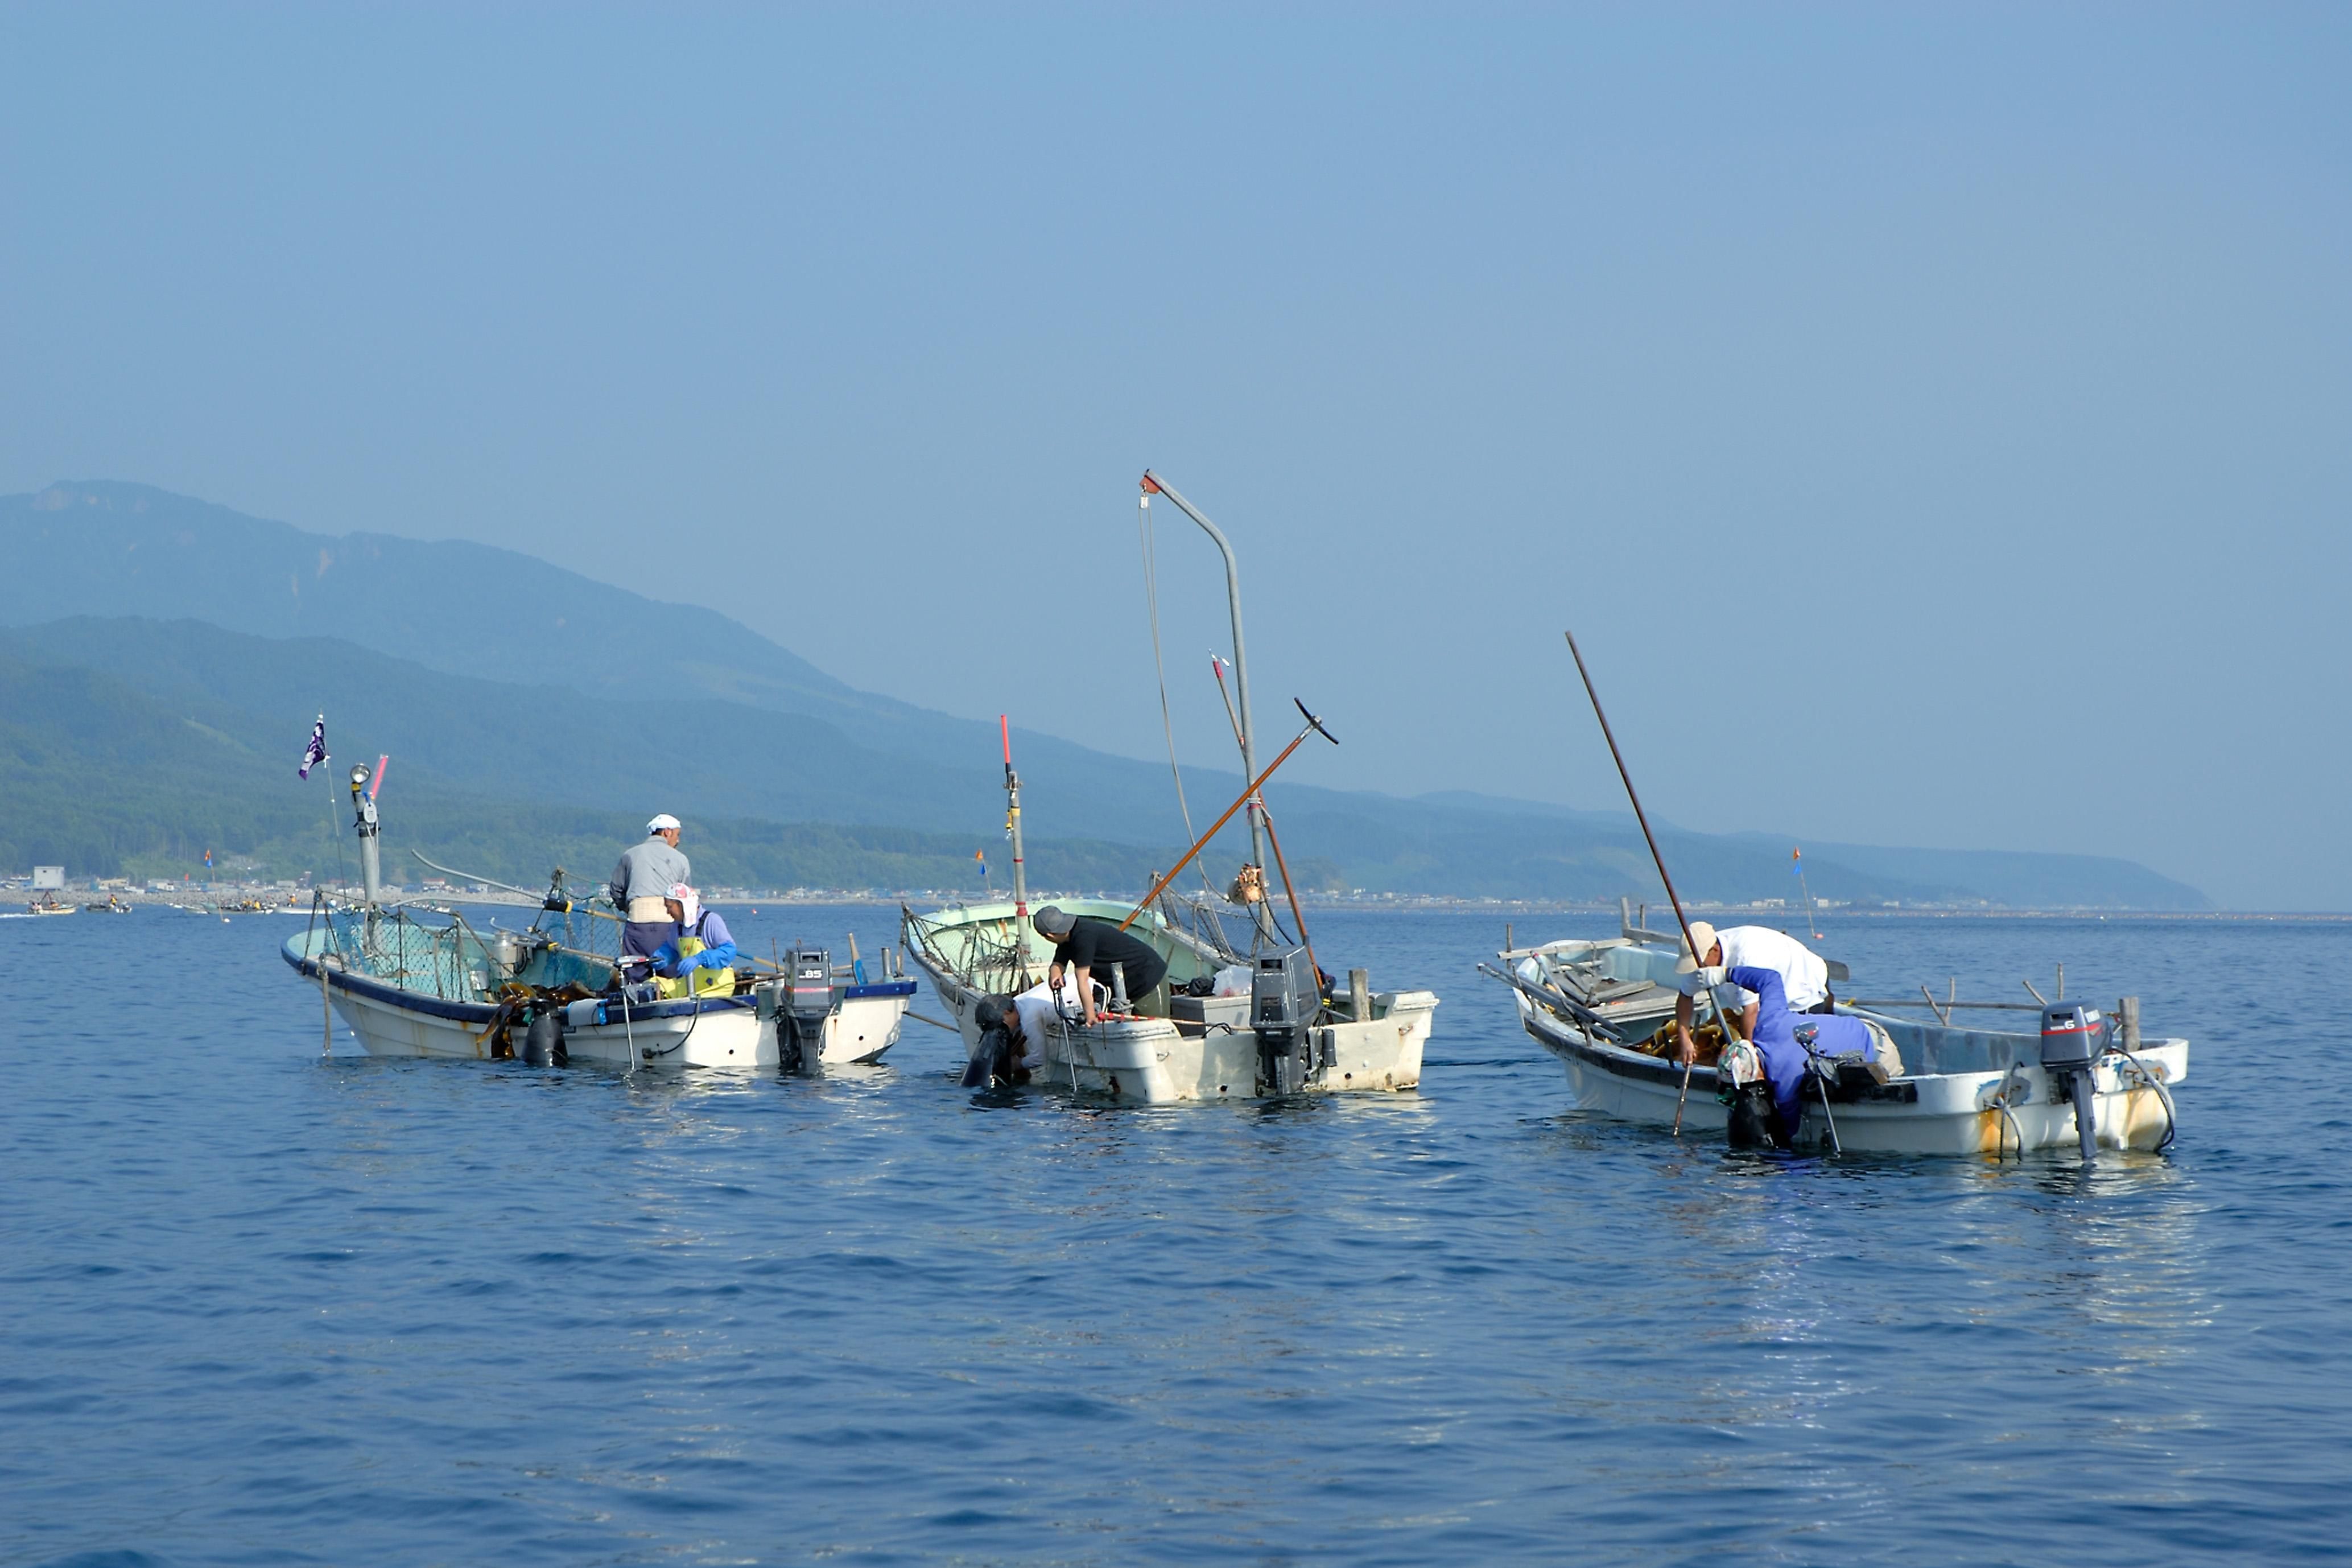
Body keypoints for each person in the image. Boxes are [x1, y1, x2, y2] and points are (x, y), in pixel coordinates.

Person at [1721, 963, 1900, 1148]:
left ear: (1755, 1077)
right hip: (1866, 1026)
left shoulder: (1785, 1082)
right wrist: (1726, 974)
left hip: (1881, 1054)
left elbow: (1790, 1130)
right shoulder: (1767, 1023)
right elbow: (1769, 979)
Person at [1673, 920, 1833, 1064]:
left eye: (1698, 962)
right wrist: (1685, 1038)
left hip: (1803, 985)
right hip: (1768, 996)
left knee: (1801, 1054)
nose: (1697, 968)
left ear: (1715, 950)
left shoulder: (1745, 956)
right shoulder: (1701, 960)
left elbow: (1751, 1011)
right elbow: (1685, 997)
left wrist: (1749, 1060)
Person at [1033, 905, 1167, 1026]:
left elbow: (1083, 980)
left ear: (1049, 936)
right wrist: (1055, 974)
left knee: (1156, 1029)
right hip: (1124, 987)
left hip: (1148, 977)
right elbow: (1058, 963)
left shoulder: (1083, 937)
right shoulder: (1067, 937)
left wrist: (1090, 1016)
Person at [609, 814, 691, 972]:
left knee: (635, 972)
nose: (678, 841)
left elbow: (616, 889)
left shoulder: (630, 855)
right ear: (667, 832)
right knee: (670, 973)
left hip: (638, 920)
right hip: (668, 923)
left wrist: (628, 908)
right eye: (677, 835)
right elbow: (685, 897)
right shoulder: (681, 859)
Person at [649, 884, 738, 998]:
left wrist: (700, 959)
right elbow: (672, 949)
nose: (667, 912)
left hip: (717, 986)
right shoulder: (677, 926)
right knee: (651, 986)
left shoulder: (712, 920)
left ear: (682, 905)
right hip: (690, 984)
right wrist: (662, 956)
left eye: (670, 907)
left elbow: (729, 951)